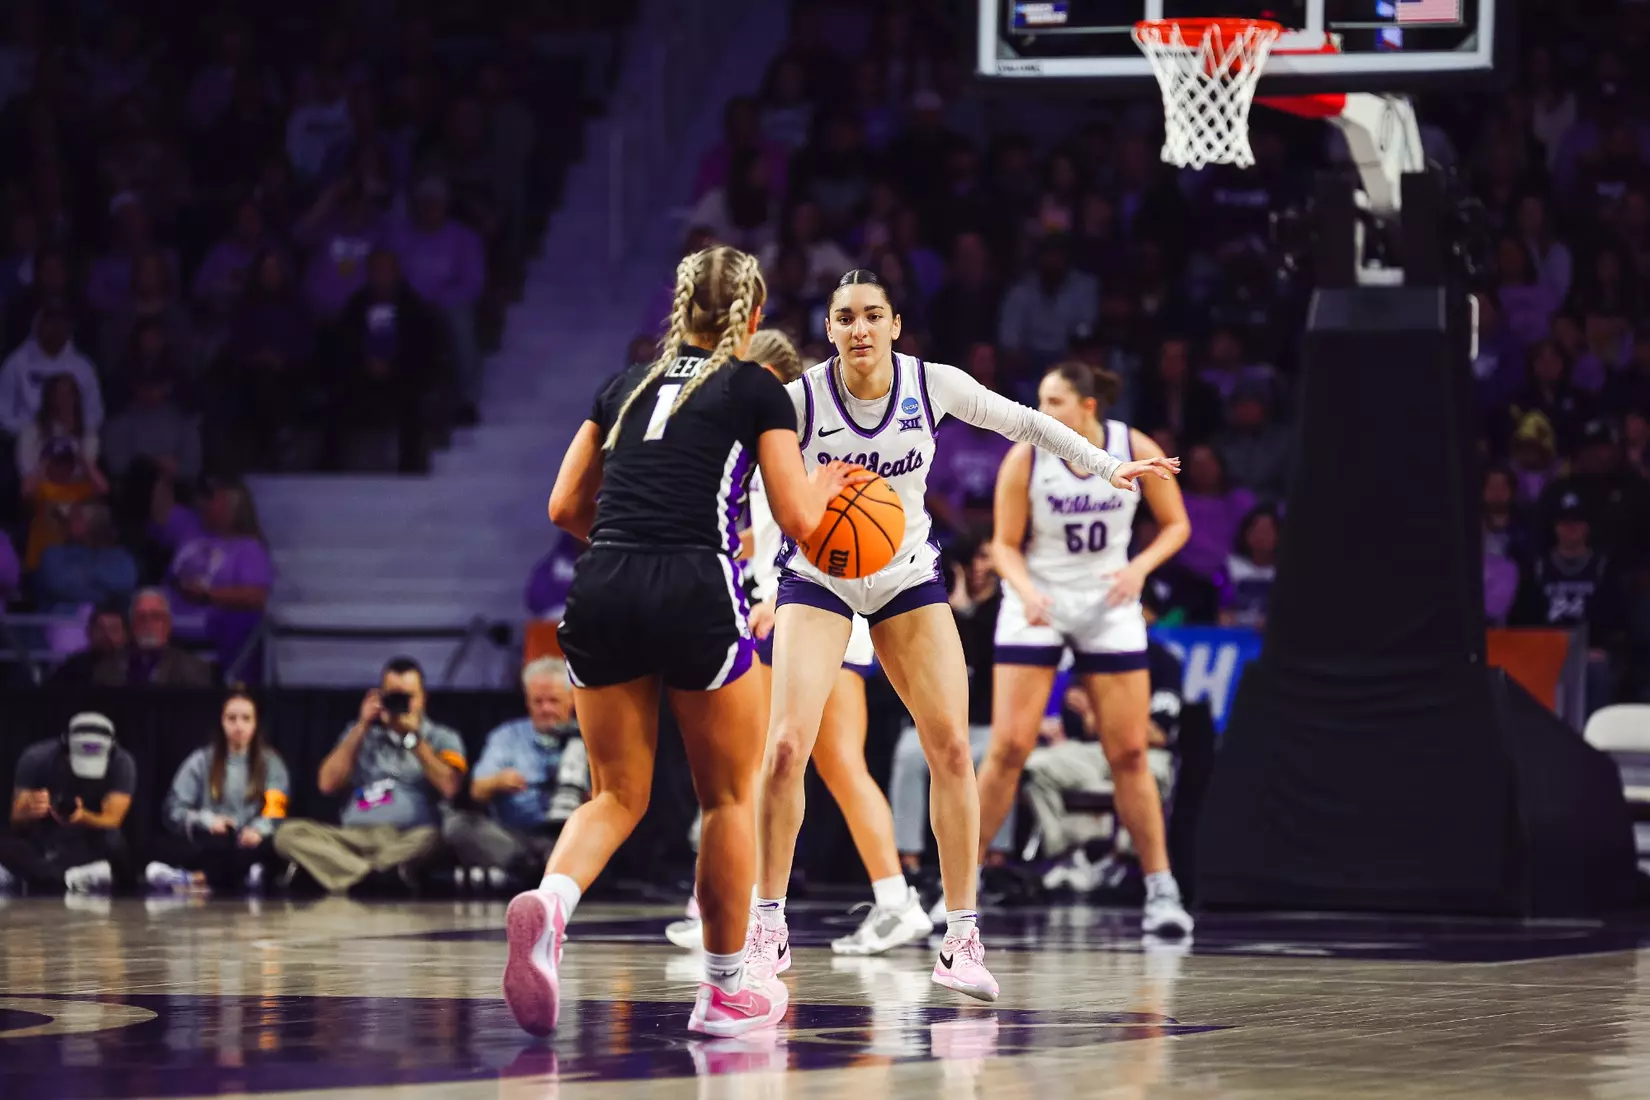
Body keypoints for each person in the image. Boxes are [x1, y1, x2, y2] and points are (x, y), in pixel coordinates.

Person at [747, 271, 1180, 1003]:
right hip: (816, 578)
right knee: (787, 744)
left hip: (903, 575)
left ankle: (960, 937)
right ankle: (766, 926)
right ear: (829, 330)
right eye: (845, 317)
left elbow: (1027, 424)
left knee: (949, 744)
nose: (859, 328)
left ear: (894, 325)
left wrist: (1106, 464)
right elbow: (729, 462)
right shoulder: (799, 400)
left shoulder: (932, 384)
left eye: (872, 315)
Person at [502, 245, 863, 1039]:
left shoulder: (621, 387)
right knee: (728, 798)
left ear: (680, 306)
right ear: (754, 316)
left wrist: (633, 542)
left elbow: (564, 505)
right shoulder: (755, 390)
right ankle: (727, 990)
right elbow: (799, 522)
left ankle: (552, 905)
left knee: (613, 795)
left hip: (603, 583)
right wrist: (830, 486)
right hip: (697, 585)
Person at [662, 328, 930, 958]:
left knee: (801, 761)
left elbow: (814, 526)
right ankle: (889, 903)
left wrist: (764, 596)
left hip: (812, 607)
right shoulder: (768, 435)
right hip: (809, 606)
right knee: (803, 762)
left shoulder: (794, 435)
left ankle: (733, 905)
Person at [974, 361, 1196, 937]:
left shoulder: (1131, 444)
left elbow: (1176, 526)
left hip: (1108, 599)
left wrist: (1138, 571)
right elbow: (1002, 544)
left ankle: (1160, 889)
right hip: (1040, 599)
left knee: (1128, 754)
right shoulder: (1026, 455)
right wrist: (1024, 590)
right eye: (1041, 402)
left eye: (1054, 402)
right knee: (1008, 748)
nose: (1042, 413)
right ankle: (958, 887)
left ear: (1087, 407)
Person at [274, 657, 467, 894]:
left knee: (436, 837)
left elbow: (450, 786)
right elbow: (326, 783)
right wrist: (361, 725)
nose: (399, 705)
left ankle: (340, 873)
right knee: (288, 833)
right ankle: (374, 876)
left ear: (422, 698)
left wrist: (414, 738)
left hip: (406, 838)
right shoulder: (360, 735)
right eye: (392, 697)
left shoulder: (442, 738)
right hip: (352, 838)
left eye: (407, 697)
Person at [444, 657, 588, 890]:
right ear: (527, 701)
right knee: (458, 825)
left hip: (569, 836)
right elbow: (476, 791)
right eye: (538, 701)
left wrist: (584, 795)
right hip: (514, 838)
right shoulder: (506, 736)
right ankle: (533, 869)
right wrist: (498, 782)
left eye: (553, 700)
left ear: (571, 699)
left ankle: (546, 867)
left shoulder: (588, 737)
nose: (546, 709)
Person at [148, 688, 290, 894]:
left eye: (246, 718)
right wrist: (207, 820)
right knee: (184, 846)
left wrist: (259, 829)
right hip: (213, 840)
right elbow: (173, 809)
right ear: (222, 721)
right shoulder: (201, 760)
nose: (238, 726)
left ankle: (196, 879)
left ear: (256, 723)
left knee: (276, 846)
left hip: (251, 842)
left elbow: (276, 810)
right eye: (231, 718)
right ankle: (242, 875)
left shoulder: (272, 763)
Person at [0, 713, 137, 894]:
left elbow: (112, 820)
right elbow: (16, 819)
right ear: (65, 746)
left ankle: (52, 877)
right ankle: (61, 877)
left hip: (89, 839)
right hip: (46, 839)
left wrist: (81, 816)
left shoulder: (122, 763)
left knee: (114, 840)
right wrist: (31, 811)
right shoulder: (36, 758)